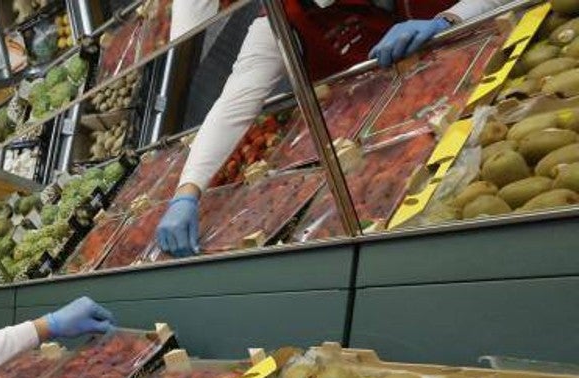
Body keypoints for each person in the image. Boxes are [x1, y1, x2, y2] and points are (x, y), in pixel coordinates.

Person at [155, 0, 511, 257]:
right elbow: (234, 103)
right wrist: (187, 193)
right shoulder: (281, 20)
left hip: (503, 76)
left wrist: (451, 18)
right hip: (405, 143)